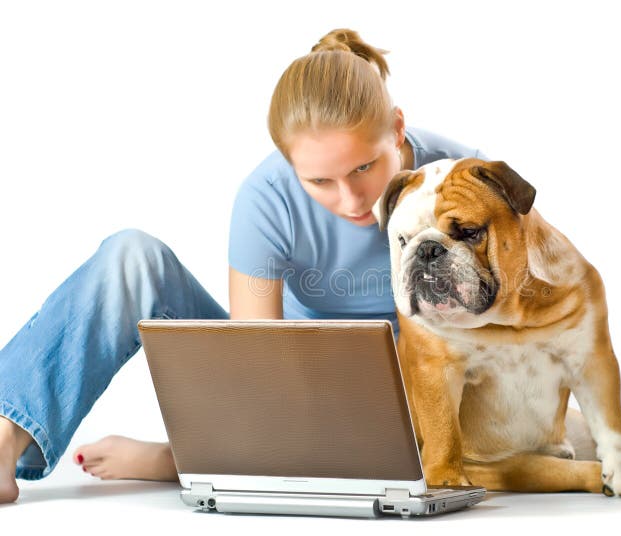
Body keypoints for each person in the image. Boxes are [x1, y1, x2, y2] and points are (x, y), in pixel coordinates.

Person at [0, 28, 489, 503]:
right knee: (131, 256)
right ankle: (3, 445)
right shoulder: (267, 196)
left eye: (364, 168)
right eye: (319, 180)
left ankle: (185, 461)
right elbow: (259, 361)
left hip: (430, 395)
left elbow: (522, 311)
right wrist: (270, 423)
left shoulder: (465, 175)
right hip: (297, 393)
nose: (351, 200)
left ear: (398, 129)